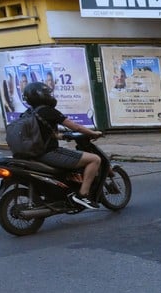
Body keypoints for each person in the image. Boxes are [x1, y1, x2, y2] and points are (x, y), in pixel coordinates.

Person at [22, 81, 103, 209]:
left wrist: (61, 136)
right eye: (47, 93)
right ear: (42, 95)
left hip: (32, 154)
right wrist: (93, 133)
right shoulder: (48, 111)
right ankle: (83, 195)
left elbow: (43, 134)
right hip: (49, 153)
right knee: (94, 159)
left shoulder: (27, 113)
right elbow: (75, 127)